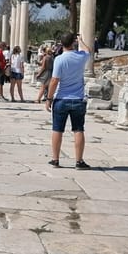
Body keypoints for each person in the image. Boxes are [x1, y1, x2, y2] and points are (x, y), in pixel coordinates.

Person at [44, 32, 91, 170]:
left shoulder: (59, 59)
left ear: (61, 43)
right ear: (73, 43)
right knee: (78, 130)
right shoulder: (81, 57)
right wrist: (81, 40)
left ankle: (55, 159)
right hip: (78, 99)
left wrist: (49, 98)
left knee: (57, 130)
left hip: (61, 99)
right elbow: (88, 50)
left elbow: (54, 80)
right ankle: (79, 161)